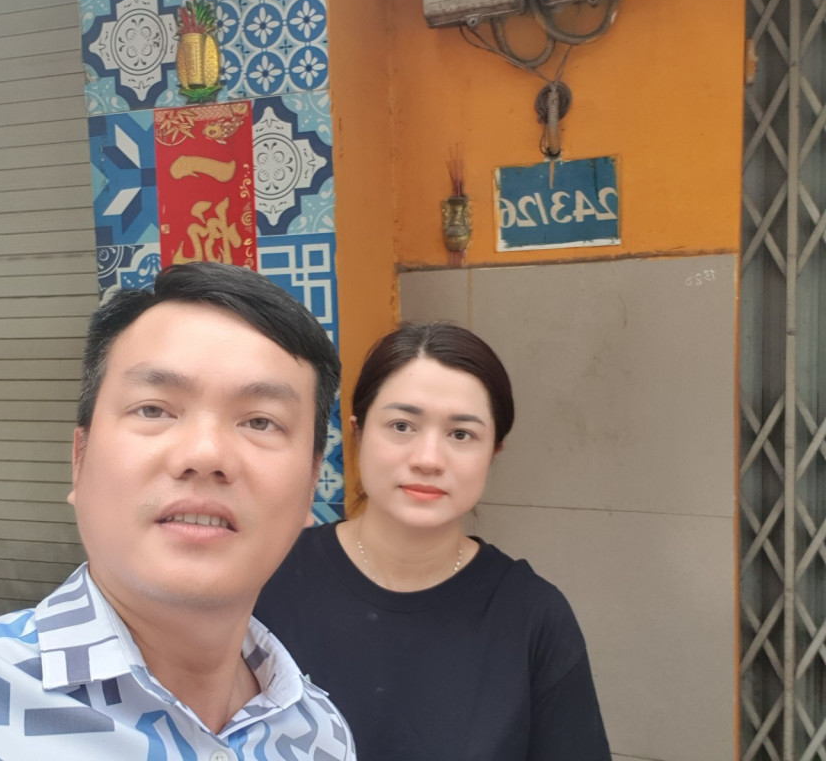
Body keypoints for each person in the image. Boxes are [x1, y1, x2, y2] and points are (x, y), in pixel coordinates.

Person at [0, 262, 355, 760]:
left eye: (260, 421)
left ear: (312, 486)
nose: (205, 455)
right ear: (79, 460)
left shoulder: (320, 736)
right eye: (154, 409)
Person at [255, 322, 610, 761]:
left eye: (461, 434)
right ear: (358, 432)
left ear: (494, 452)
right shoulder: (265, 576)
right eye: (402, 425)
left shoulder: (533, 617)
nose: (428, 459)